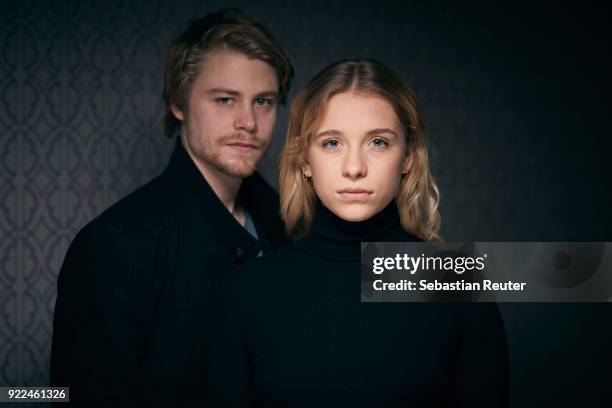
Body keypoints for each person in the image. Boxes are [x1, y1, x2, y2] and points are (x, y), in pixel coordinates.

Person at [204, 59, 509, 407]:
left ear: (408, 156)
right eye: (332, 143)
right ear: (304, 159)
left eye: (378, 142)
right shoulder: (244, 293)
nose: (354, 168)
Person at [50, 8, 293, 405]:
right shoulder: (114, 244)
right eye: (225, 99)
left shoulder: (289, 222)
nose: (248, 121)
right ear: (179, 103)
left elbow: (400, 282)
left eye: (263, 101)